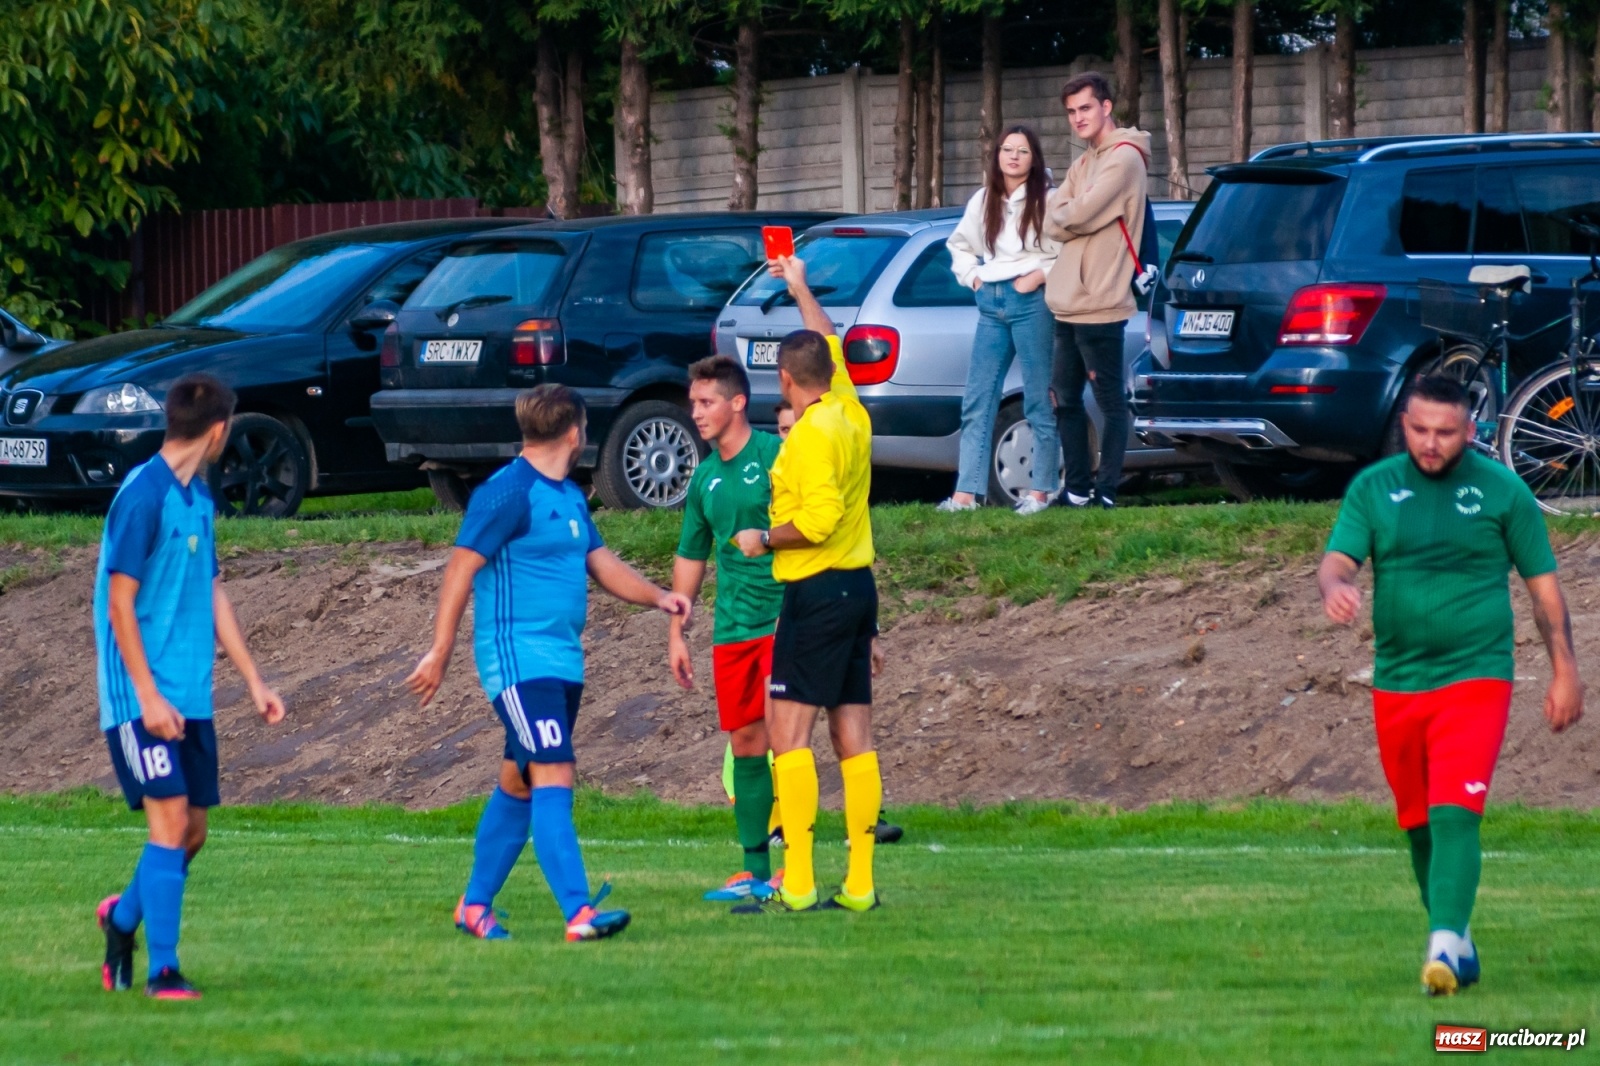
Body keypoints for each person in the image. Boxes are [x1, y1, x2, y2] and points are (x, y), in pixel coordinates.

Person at [1318, 374, 1583, 996]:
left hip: (1477, 675)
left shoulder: (1503, 492)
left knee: (1455, 810)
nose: (1430, 443)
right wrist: (1336, 587)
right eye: (1418, 430)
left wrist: (1566, 672)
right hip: (1398, 681)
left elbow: (1544, 592)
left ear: (1471, 431)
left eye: (1444, 432)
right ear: (1404, 424)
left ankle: (1440, 945)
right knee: (1417, 821)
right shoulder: (1374, 488)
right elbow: (1337, 560)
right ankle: (1458, 942)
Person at [405, 384, 691, 942]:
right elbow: (460, 568)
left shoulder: (568, 496)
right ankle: (578, 912)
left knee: (518, 780)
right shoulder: (507, 491)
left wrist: (660, 597)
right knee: (555, 769)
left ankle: (474, 906)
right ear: (574, 432)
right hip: (516, 660)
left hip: (563, 661)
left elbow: (601, 563)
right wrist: (440, 650)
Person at [95, 373, 287, 1000]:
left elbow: (211, 590)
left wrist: (254, 679)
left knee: (193, 832)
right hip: (138, 696)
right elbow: (120, 605)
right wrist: (147, 696)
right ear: (217, 429)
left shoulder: (199, 497)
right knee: (171, 823)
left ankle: (122, 918)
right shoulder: (141, 497)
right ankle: (164, 971)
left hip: (191, 693)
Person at [733, 253, 884, 914]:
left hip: (817, 589)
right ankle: (860, 883)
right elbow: (826, 340)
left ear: (786, 380)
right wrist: (798, 287)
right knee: (854, 733)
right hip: (857, 590)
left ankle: (796, 882)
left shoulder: (815, 434)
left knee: (787, 735)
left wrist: (764, 538)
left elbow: (818, 521)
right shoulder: (849, 407)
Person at [670, 355, 786, 901]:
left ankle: (798, 860)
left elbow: (814, 522)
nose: (696, 412)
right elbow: (691, 555)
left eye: (706, 401)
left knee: (786, 736)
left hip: (785, 616)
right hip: (732, 626)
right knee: (745, 741)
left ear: (737, 402)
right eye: (694, 402)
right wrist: (677, 628)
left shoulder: (774, 455)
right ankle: (754, 868)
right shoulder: (704, 476)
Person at [1043, 70, 1151, 510]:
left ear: (1106, 106)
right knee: (1064, 399)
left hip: (1102, 302)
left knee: (1110, 401)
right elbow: (1053, 220)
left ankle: (1106, 493)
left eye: (1085, 108)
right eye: (1071, 112)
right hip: (1066, 302)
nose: (1078, 118)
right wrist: (1074, 215)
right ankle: (1077, 490)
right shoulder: (1083, 162)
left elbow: (1078, 212)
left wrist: (1074, 214)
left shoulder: (1124, 158)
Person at [940, 124, 1060, 516]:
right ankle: (965, 494)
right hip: (990, 302)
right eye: (1006, 149)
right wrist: (972, 277)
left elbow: (1067, 250)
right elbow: (958, 245)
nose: (1012, 157)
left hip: (1031, 301)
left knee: (1038, 397)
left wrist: (1039, 276)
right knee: (978, 398)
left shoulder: (1049, 199)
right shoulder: (983, 199)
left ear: (1033, 157)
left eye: (1022, 151)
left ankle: (1040, 491)